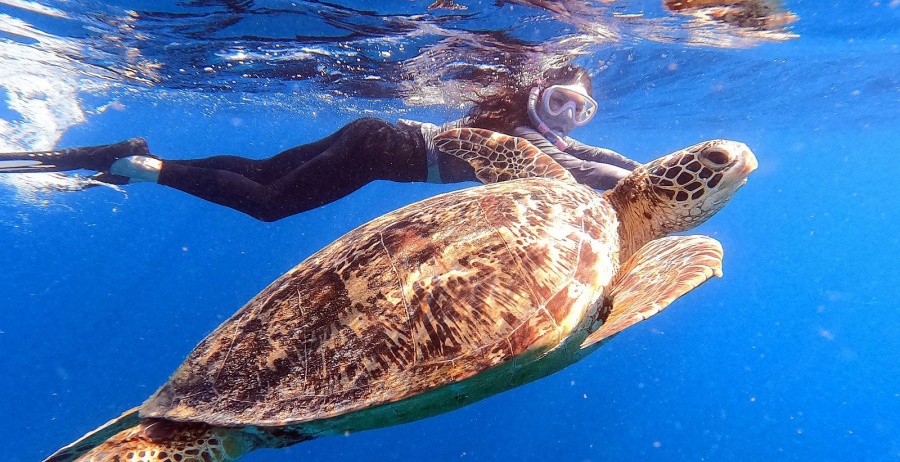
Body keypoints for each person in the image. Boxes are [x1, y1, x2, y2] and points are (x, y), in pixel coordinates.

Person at [0, 65, 640, 222]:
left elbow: (589, 157)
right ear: (536, 93)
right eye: (560, 102)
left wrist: (635, 165)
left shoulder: (536, 134)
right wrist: (644, 179)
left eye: (582, 110)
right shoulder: (526, 140)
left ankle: (134, 152)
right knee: (269, 203)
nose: (570, 118)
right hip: (380, 151)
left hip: (378, 135)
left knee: (260, 168)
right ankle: (141, 167)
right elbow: (581, 168)